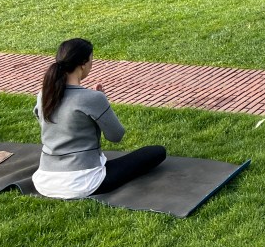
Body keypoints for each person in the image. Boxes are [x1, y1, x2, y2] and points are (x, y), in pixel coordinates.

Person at [32, 38, 166, 199]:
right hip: (83, 183)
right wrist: (102, 103)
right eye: (91, 60)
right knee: (157, 152)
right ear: (83, 63)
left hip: (45, 181)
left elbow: (49, 120)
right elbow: (116, 136)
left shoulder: (44, 94)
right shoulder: (92, 98)